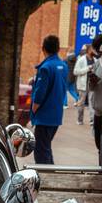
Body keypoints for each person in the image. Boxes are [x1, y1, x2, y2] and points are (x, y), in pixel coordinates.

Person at [28, 35, 68, 164]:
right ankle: (52, 173)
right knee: (46, 148)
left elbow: (40, 93)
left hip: (44, 116)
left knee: (40, 151)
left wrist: (34, 108)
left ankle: (46, 179)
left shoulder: (45, 68)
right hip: (56, 115)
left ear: (43, 49)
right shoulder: (63, 65)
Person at [74, 44, 94, 125]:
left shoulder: (95, 60)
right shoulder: (81, 60)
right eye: (93, 49)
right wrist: (88, 68)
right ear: (89, 50)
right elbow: (75, 71)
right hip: (83, 85)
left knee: (92, 103)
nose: (94, 51)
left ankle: (92, 120)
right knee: (81, 104)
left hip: (92, 85)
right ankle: (80, 119)